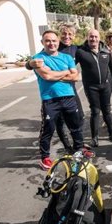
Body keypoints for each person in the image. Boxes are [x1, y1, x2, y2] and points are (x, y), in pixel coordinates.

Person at [31, 30, 84, 170]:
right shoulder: (38, 58)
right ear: (42, 42)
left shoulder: (66, 57)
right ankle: (45, 158)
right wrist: (66, 72)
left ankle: (79, 149)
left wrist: (55, 74)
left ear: (58, 42)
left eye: (54, 40)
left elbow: (76, 77)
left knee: (75, 126)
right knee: (48, 129)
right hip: (50, 100)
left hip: (69, 97)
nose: (51, 43)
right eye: (47, 41)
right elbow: (46, 77)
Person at [75, 29, 112, 147]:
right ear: (87, 37)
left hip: (106, 85)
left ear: (99, 38)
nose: (93, 39)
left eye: (95, 37)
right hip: (91, 87)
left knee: (107, 111)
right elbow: (70, 64)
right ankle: (94, 138)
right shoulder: (80, 51)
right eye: (91, 36)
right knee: (95, 111)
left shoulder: (106, 51)